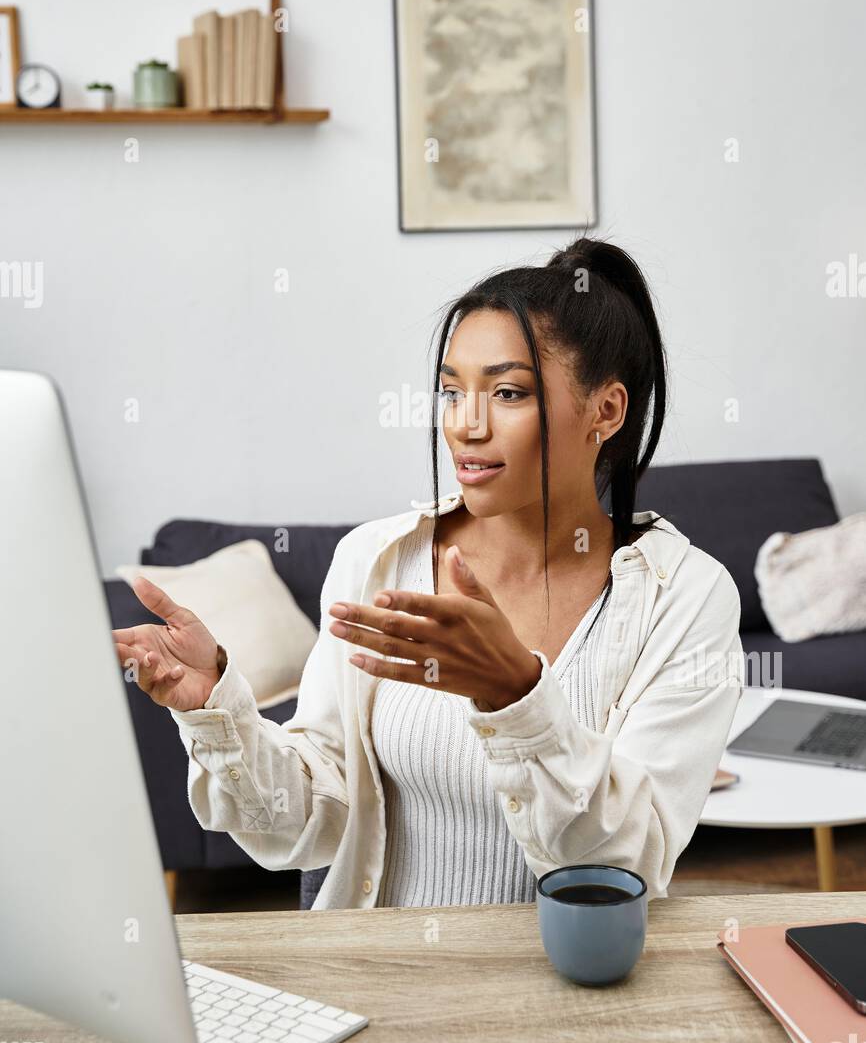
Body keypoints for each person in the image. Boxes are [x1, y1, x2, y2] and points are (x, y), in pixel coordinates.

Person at [113, 234, 744, 910]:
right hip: (384, 983)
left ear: (606, 412)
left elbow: (629, 865)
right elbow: (309, 823)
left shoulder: (687, 598)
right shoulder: (377, 561)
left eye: (507, 392)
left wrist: (517, 696)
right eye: (450, 391)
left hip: (576, 995)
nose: (465, 426)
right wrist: (218, 713)